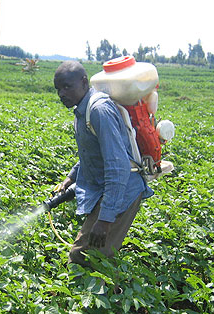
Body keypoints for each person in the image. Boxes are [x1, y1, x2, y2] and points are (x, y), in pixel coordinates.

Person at [53, 61, 153, 267]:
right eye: (58, 89)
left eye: (67, 87)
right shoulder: (83, 110)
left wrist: (105, 219)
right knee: (93, 259)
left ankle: (110, 296)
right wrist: (72, 176)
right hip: (108, 190)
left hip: (122, 191)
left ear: (83, 82)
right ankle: (110, 292)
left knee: (85, 260)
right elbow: (94, 154)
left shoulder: (98, 110)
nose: (62, 93)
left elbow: (118, 167)